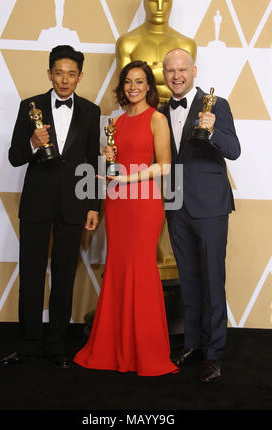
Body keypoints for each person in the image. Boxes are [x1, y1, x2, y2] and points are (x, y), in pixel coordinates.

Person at [73, 60, 179, 376]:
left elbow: (165, 165)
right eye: (128, 82)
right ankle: (114, 345)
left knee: (141, 269)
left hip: (144, 203)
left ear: (149, 86)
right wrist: (108, 163)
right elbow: (112, 170)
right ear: (123, 87)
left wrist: (129, 179)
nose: (133, 87)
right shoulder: (115, 122)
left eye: (139, 81)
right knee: (118, 267)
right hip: (117, 203)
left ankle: (145, 351)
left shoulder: (157, 119)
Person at [1, 45, 101, 368]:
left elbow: (91, 162)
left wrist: (93, 206)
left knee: (63, 277)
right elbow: (15, 156)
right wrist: (33, 142)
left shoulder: (91, 111)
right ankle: (28, 343)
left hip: (75, 206)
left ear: (80, 76)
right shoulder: (29, 107)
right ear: (49, 73)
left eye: (71, 74)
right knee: (31, 275)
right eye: (58, 73)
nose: (64, 80)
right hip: (36, 205)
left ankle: (56, 345)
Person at [160, 48, 241, 382]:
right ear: (164, 75)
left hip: (209, 206)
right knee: (189, 281)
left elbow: (233, 150)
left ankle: (214, 353)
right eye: (170, 71)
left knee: (211, 280)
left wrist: (212, 130)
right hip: (176, 206)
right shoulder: (161, 111)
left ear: (194, 70)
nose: (176, 76)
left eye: (182, 70)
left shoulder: (216, 104)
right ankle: (192, 344)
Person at [115, 0, 196, 104]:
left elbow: (186, 89)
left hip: (176, 117)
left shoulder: (186, 45)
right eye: (153, 1)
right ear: (145, 3)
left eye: (165, 2)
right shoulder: (127, 43)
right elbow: (125, 91)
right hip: (140, 117)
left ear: (171, 3)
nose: (159, 8)